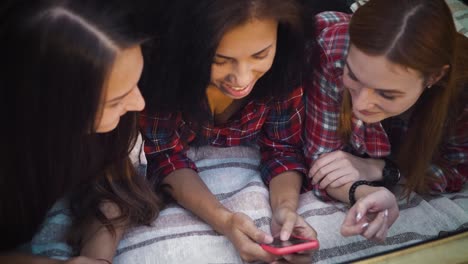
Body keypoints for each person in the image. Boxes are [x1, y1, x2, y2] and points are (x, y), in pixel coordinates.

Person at [139, 0, 318, 262]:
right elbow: (164, 155)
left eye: (260, 55)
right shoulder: (162, 74)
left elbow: (283, 147)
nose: (242, 79)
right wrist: (224, 220)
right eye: (220, 60)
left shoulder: (285, 66)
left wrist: (285, 209)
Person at [0, 0, 162, 263]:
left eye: (136, 82)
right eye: (115, 101)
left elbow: (111, 185)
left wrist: (97, 256)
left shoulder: (110, 129)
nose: (139, 103)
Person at [304, 0, 468, 242]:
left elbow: (456, 169)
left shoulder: (461, 92)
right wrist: (365, 193)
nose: (360, 105)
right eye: (353, 76)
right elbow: (323, 163)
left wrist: (381, 169)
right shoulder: (333, 49)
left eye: (387, 94)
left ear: (435, 76)